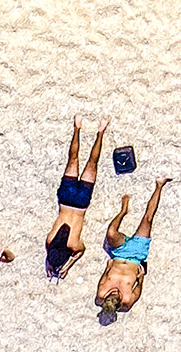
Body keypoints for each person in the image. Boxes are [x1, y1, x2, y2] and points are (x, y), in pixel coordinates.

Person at [96, 177, 171, 313]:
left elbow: (104, 276)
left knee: (111, 233)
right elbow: (138, 290)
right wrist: (141, 278)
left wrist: (107, 268)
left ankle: (123, 211)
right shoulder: (128, 300)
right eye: (117, 295)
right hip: (136, 255)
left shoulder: (101, 293)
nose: (115, 291)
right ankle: (160, 185)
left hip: (119, 254)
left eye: (111, 293)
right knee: (147, 219)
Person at [46, 115, 109, 278]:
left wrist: (67, 266)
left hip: (81, 203)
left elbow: (81, 252)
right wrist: (49, 263)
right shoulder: (49, 241)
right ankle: (77, 127)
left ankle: (101, 131)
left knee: (92, 163)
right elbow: (50, 252)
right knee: (73, 159)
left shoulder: (74, 245)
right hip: (66, 199)